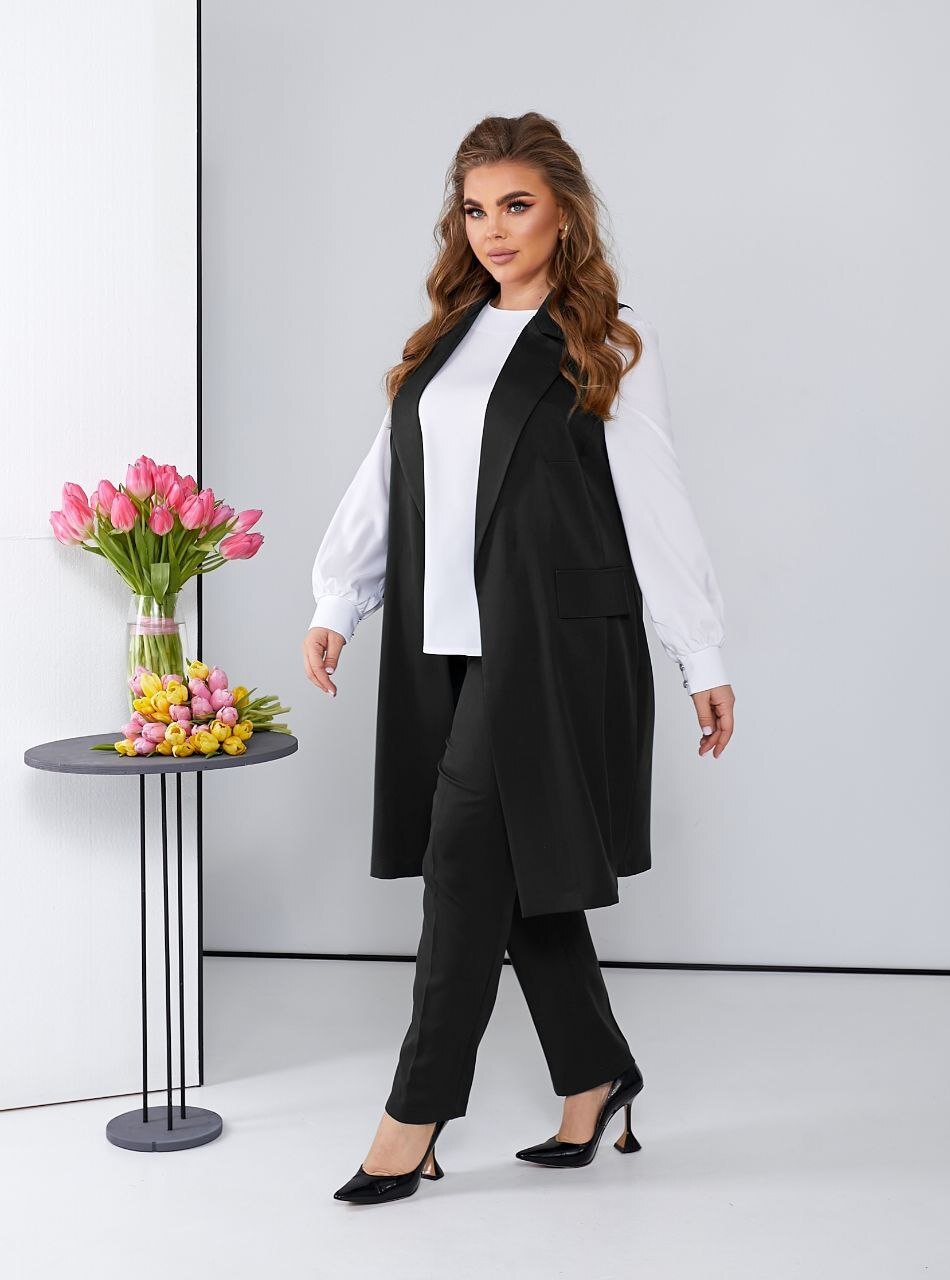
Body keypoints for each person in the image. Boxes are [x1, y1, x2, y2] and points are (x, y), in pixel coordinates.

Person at [302, 111, 736, 1206]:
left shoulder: (607, 341)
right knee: (521, 874)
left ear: (564, 215)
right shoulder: (445, 339)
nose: (492, 229)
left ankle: (413, 1116)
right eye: (474, 209)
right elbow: (390, 471)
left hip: (550, 645)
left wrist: (701, 653)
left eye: (516, 205)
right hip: (441, 645)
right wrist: (338, 597)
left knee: (462, 866)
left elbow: (656, 501)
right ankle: (596, 1075)